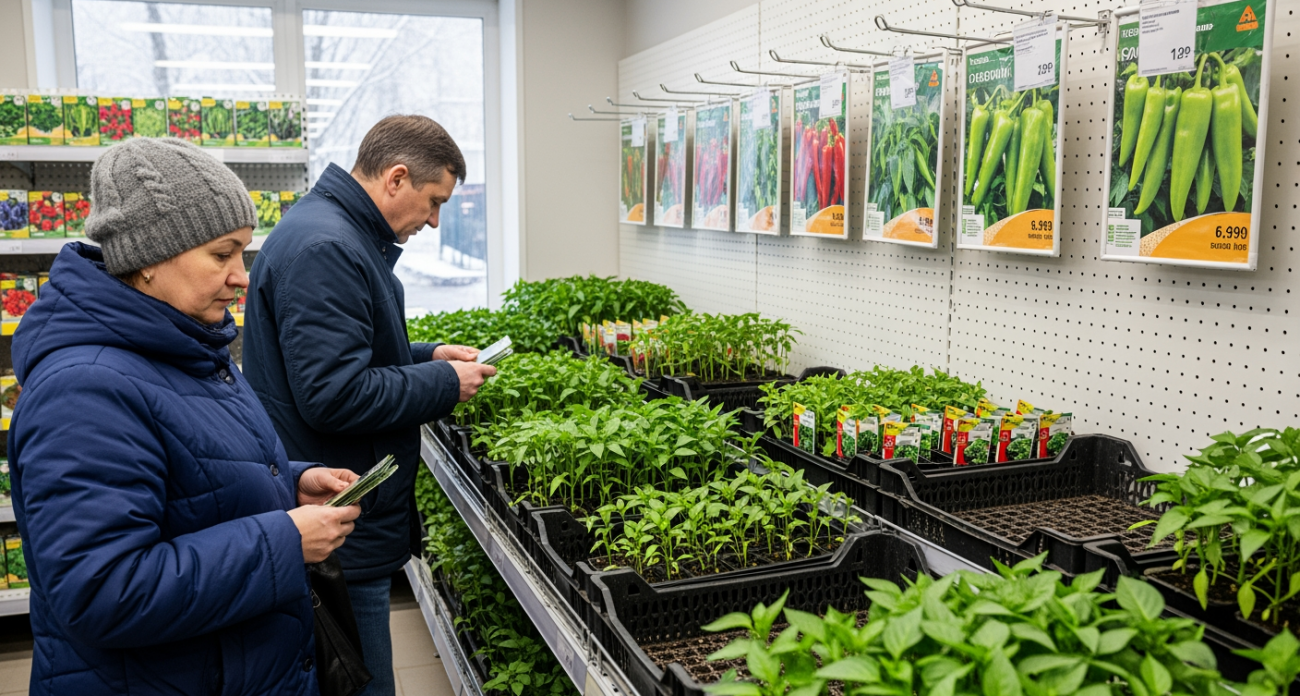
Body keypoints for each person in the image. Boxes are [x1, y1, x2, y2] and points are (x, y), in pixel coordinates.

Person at [7, 138, 363, 696]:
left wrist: (289, 483)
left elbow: (191, 470)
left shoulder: (188, 346)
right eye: (222, 254)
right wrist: (283, 541)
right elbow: (104, 591)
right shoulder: (83, 391)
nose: (241, 275)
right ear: (147, 259)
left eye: (243, 253)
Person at [243, 114, 497, 695]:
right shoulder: (326, 247)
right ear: (397, 178)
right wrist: (443, 384)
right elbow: (335, 393)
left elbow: (343, 348)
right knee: (362, 680)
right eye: (433, 202)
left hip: (344, 500)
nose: (434, 221)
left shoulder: (333, 232)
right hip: (339, 507)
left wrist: (429, 355)